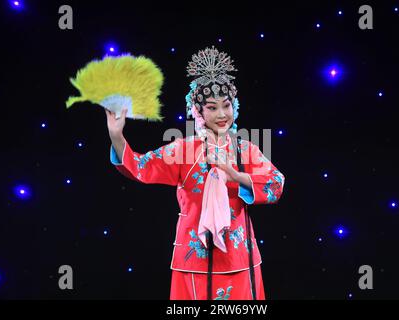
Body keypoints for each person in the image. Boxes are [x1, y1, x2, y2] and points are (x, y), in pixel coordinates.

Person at [105, 46, 285, 300]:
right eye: (212, 108)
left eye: (226, 106)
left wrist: (235, 175)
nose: (222, 114)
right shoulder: (184, 149)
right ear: (198, 112)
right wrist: (116, 136)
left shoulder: (246, 150)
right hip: (194, 259)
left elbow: (276, 184)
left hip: (239, 257)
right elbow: (139, 166)